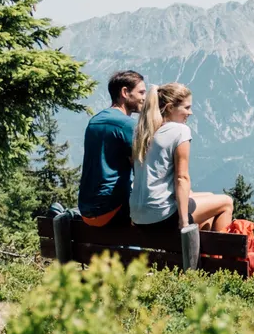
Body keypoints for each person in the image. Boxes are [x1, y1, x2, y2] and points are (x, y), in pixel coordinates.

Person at [130, 83, 233, 232]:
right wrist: (184, 222)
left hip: (138, 217)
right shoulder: (179, 130)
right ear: (171, 107)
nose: (190, 113)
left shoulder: (143, 132)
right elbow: (181, 178)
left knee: (209, 197)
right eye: (186, 108)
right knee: (226, 202)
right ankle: (218, 254)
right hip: (162, 217)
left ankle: (202, 254)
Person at [78, 70, 147, 227]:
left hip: (87, 208)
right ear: (124, 92)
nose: (144, 97)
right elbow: (141, 170)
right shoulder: (126, 125)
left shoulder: (94, 121)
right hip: (111, 208)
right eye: (141, 92)